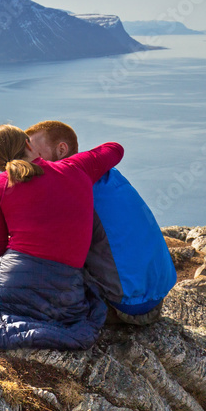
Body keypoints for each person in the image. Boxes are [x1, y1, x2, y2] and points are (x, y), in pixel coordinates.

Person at [0, 125, 123, 352]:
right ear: (28, 144)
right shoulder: (76, 167)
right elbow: (114, 149)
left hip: (12, 291)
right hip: (67, 297)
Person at [25, 121, 175, 325]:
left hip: (125, 305)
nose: (32, 165)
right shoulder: (106, 174)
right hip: (156, 297)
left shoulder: (69, 188)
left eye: (37, 157)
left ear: (61, 150)